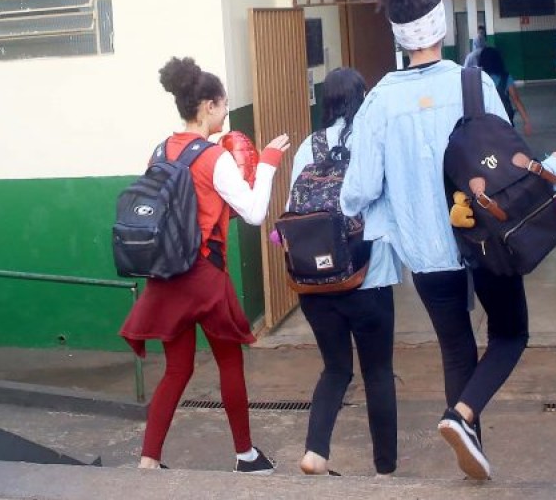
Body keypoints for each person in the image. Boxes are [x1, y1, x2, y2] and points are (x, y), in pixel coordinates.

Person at [341, 0, 556, 482]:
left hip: (426, 252)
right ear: (440, 25)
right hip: (487, 239)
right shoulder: (473, 83)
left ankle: (472, 454)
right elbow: (506, 159)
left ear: (398, 34)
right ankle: (461, 415)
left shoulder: (378, 103)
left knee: (455, 349)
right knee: (510, 335)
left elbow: (359, 191)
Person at [119, 56, 290, 473]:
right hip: (204, 276)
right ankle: (246, 456)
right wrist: (268, 163)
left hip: (166, 275)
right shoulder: (215, 158)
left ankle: (148, 460)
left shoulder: (160, 150)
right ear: (208, 106)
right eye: (224, 104)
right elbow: (254, 213)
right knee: (229, 362)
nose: (226, 112)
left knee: (176, 368)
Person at [289, 67, 402, 478]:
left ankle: (315, 452)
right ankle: (384, 469)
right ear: (362, 98)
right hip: (367, 277)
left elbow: (292, 210)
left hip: (314, 284)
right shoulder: (372, 141)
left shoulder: (308, 146)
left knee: (335, 368)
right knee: (378, 372)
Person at [477, 46, 532, 135]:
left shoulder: (477, 78)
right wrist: (526, 121)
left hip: (484, 120)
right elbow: (516, 100)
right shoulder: (505, 78)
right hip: (504, 119)